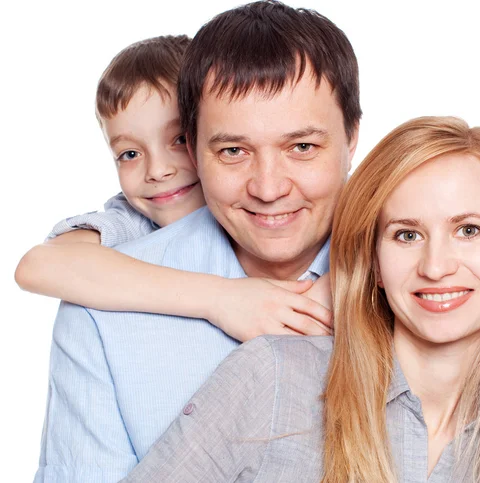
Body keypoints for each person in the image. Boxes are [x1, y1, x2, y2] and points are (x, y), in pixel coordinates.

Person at [123, 117, 480, 483]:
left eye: (468, 231)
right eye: (407, 234)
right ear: (376, 264)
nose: (436, 265)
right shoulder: (273, 379)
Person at [33, 1, 360, 481]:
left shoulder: (419, 278)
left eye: (302, 147)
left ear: (352, 137)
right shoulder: (100, 306)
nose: (268, 188)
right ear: (198, 146)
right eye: (233, 150)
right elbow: (42, 265)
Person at [15, 35, 331, 343]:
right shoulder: (137, 224)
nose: (157, 171)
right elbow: (38, 265)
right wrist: (219, 298)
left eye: (178, 140)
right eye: (130, 154)